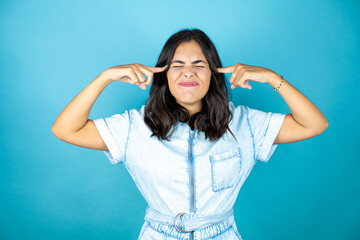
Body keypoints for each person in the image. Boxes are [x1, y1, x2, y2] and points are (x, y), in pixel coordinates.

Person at [51, 28, 329, 240]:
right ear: (163, 74)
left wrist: (271, 77)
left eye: (199, 64)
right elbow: (65, 129)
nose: (188, 73)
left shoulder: (244, 123)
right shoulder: (133, 126)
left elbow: (314, 124)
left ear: (213, 73)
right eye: (177, 65)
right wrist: (106, 76)